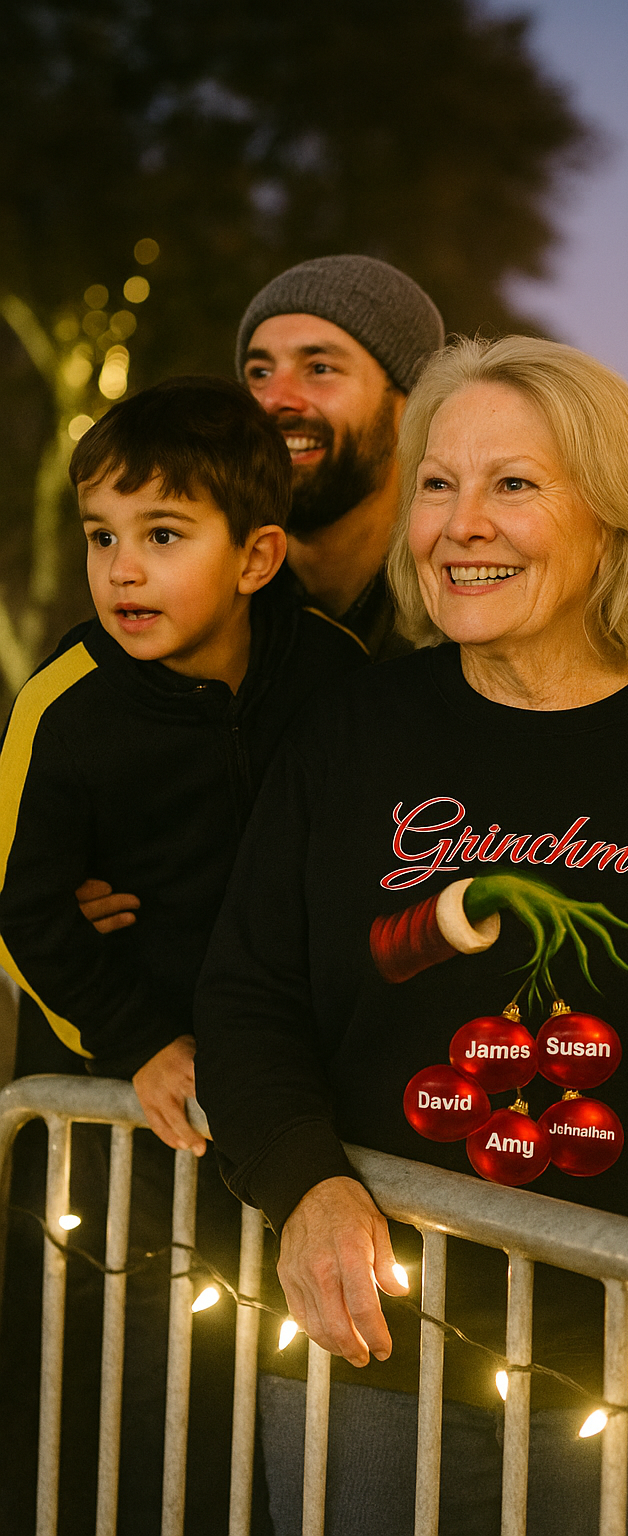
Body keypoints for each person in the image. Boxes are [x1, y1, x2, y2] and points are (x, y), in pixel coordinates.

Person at [194, 335, 628, 1535]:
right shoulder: (353, 730)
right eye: (438, 486)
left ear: (611, 513)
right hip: (382, 1354)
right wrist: (303, 1187)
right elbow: (250, 994)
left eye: (512, 484)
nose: (462, 523)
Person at [0, 376, 366, 1535]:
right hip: (128, 1132)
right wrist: (141, 1042)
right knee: (119, 1405)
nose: (122, 570)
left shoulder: (340, 679)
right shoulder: (70, 706)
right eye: (105, 536)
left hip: (295, 1111)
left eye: (163, 537)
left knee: (273, 1410)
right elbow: (31, 911)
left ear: (257, 558)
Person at [236, 254, 445, 657]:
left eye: (319, 368)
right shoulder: (203, 610)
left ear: (411, 405)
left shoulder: (465, 628)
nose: (274, 399)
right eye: (259, 373)